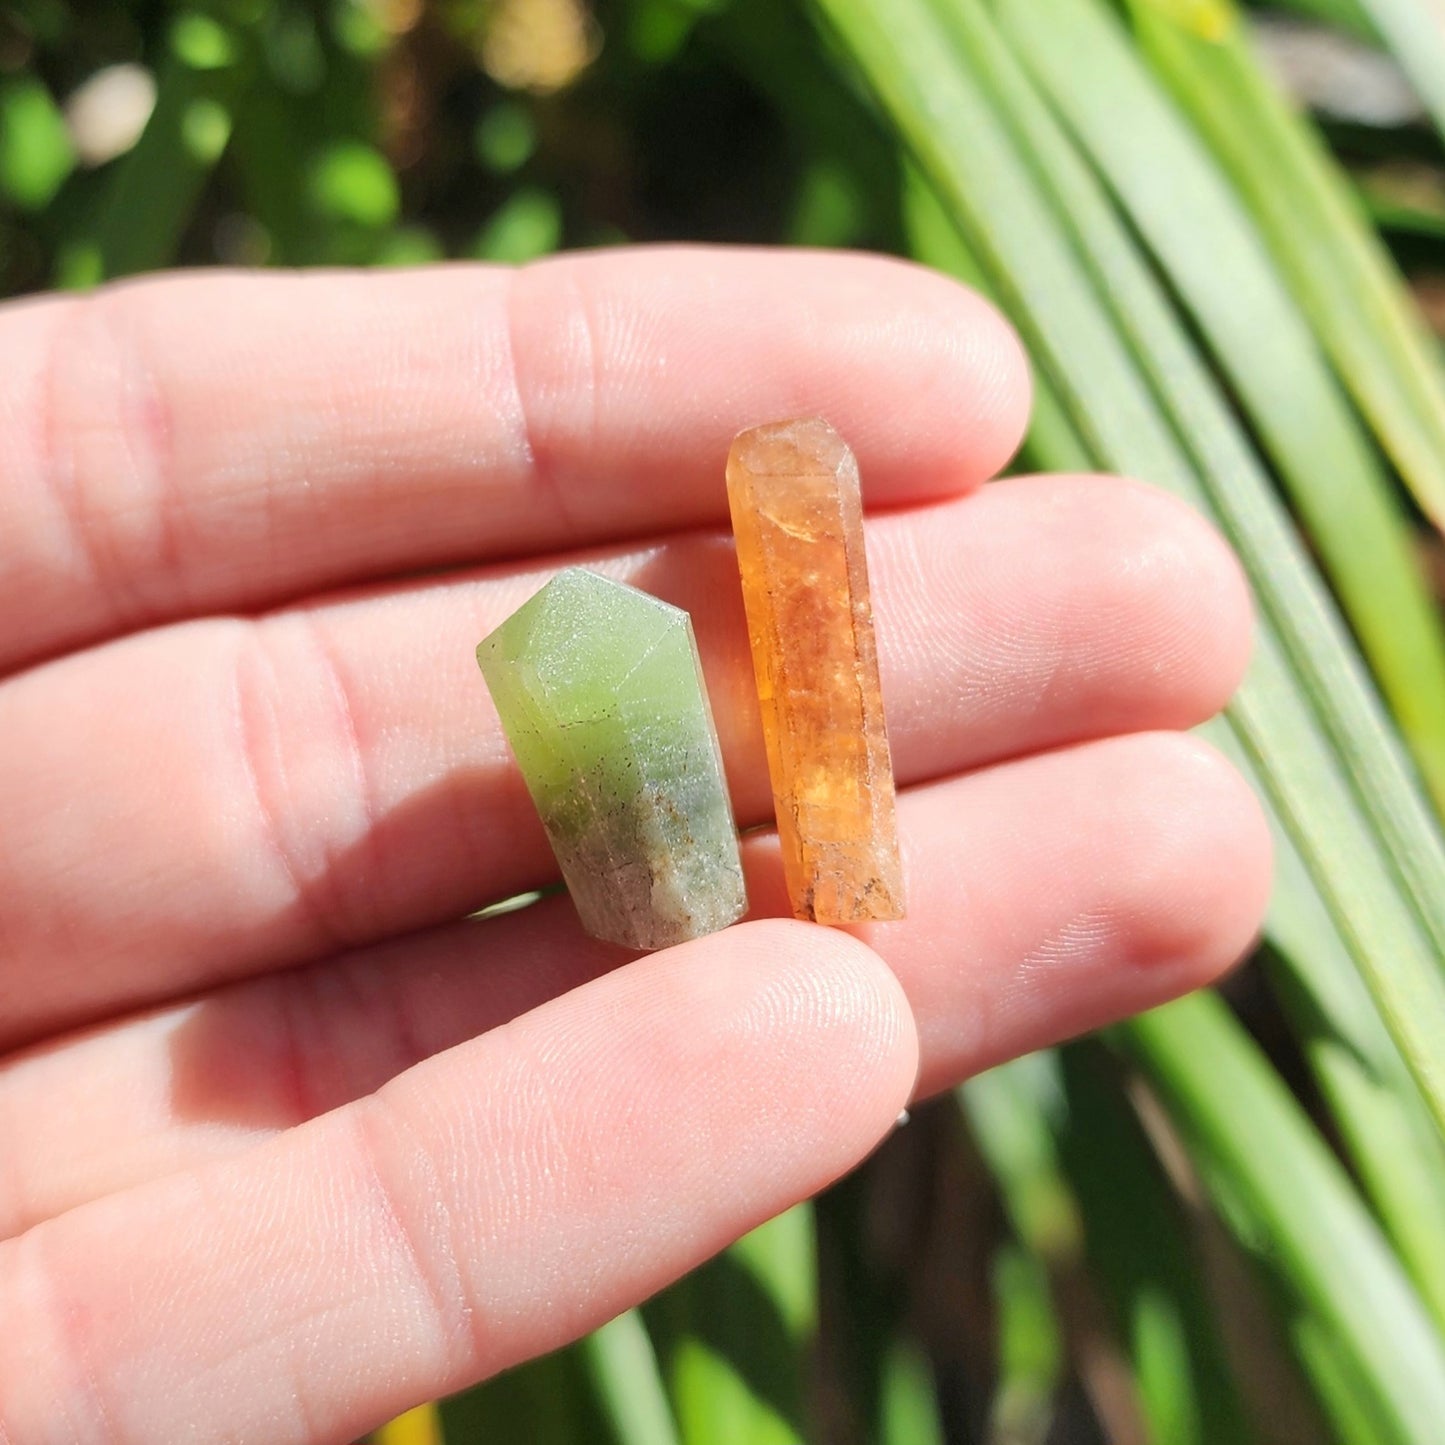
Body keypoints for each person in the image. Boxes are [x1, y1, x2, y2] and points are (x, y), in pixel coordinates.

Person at [0, 247, 1271, 1441]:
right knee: (682, 852)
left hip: (792, 863)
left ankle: (783, 887)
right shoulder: (604, 681)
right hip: (681, 889)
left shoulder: (763, 561)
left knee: (791, 856)